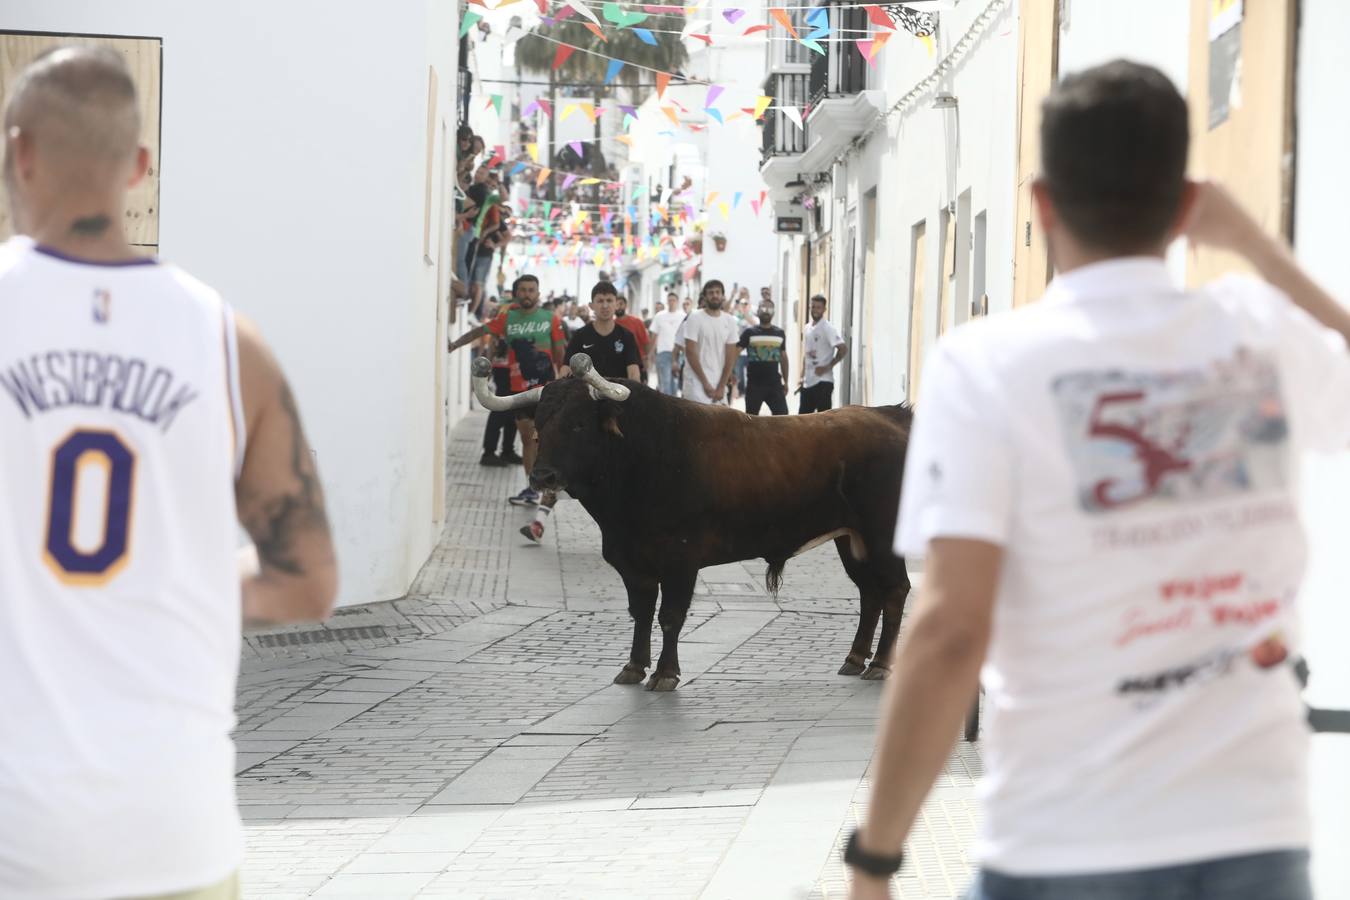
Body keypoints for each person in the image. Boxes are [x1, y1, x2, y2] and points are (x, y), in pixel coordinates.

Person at [847, 61, 1350, 900]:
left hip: (1066, 837)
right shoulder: (1261, 335)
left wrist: (876, 856)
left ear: (1042, 204)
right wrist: (1257, 246)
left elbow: (948, 632)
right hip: (1256, 832)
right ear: (1187, 206)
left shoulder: (985, 368)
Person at [0, 47, 338, 900]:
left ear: (17, 152)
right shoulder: (233, 345)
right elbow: (307, 582)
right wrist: (181, 578)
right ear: (140, 167)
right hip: (174, 832)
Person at [519, 282, 641, 543]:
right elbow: (564, 373)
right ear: (592, 305)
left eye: (610, 300)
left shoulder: (626, 337)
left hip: (614, 412)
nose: (606, 305)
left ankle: (627, 528)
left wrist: (633, 402)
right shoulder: (581, 336)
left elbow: (634, 375)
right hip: (582, 414)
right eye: (601, 300)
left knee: (625, 471)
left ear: (617, 304)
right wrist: (553, 399)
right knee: (561, 461)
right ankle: (539, 522)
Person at [448, 273, 565, 507]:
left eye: (532, 290)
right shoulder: (508, 318)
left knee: (542, 439)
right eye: (523, 290)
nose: (527, 294)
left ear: (538, 293)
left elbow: (560, 352)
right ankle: (533, 489)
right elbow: (480, 332)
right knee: (526, 439)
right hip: (517, 390)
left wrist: (561, 376)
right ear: (516, 293)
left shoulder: (550, 318)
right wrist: (453, 344)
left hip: (545, 391)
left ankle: (548, 487)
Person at [681, 280, 740, 406]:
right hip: (695, 385)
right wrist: (705, 384)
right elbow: (690, 352)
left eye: (718, 292)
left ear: (723, 296)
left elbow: (731, 356)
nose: (715, 295)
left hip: (719, 384)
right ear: (705, 296)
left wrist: (721, 386)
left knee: (720, 425)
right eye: (711, 293)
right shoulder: (694, 318)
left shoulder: (730, 321)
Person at [738, 299, 790, 416]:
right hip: (754, 385)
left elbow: (783, 357)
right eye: (763, 308)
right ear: (757, 311)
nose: (766, 311)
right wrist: (733, 374)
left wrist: (786, 382)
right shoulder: (749, 333)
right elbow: (735, 352)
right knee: (751, 420)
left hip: (775, 384)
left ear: (774, 312)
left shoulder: (779, 333)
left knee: (782, 418)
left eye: (770, 308)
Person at [798, 294, 847, 413]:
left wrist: (827, 367)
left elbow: (843, 348)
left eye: (818, 307)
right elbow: (807, 354)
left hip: (823, 382)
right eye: (813, 307)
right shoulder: (807, 327)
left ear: (824, 309)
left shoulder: (827, 328)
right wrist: (801, 376)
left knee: (823, 422)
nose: (815, 310)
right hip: (808, 382)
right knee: (803, 421)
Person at [649, 291, 685, 396]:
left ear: (677, 302)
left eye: (673, 300)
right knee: (665, 383)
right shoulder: (659, 316)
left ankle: (673, 409)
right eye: (669, 300)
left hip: (679, 354)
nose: (671, 302)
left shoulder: (683, 316)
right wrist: (650, 354)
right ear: (667, 302)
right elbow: (654, 336)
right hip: (663, 353)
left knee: (675, 384)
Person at [615, 293, 652, 386]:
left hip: (637, 363)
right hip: (618, 365)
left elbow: (646, 342)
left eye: (621, 304)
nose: (618, 307)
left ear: (626, 305)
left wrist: (646, 359)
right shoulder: (611, 324)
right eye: (616, 304)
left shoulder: (636, 322)